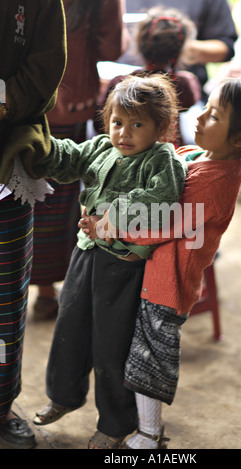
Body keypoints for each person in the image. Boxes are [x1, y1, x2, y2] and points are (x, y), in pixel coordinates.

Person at [79, 76, 241, 448]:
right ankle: (143, 426)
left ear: (240, 139)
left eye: (213, 116)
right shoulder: (196, 156)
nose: (199, 118)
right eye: (206, 108)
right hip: (154, 275)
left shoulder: (216, 182)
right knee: (136, 354)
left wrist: (106, 228)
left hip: (168, 284)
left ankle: (149, 433)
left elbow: (160, 223)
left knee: (150, 361)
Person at [31, 74, 187, 449]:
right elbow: (69, 158)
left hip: (124, 266)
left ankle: (115, 423)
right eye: (117, 122)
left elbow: (161, 200)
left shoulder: (161, 159)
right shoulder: (102, 147)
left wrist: (108, 217)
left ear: (160, 128)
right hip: (85, 254)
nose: (124, 133)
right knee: (70, 327)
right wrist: (38, 146)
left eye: (137, 124)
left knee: (110, 346)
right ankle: (63, 397)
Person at [30, 0, 128, 321]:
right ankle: (48, 293)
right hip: (67, 103)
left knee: (16, 196)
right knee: (56, 202)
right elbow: (112, 47)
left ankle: (22, 288)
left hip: (16, 103)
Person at [0, 0, 66, 449]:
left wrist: (3, 101)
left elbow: (47, 66)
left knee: (6, 304)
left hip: (8, 162)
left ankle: (1, 407)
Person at [96, 6, 201, 147]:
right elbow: (192, 100)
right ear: (180, 49)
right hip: (172, 151)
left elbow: (99, 123)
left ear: (140, 43)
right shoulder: (184, 84)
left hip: (123, 151)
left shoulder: (120, 83)